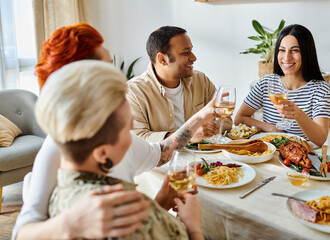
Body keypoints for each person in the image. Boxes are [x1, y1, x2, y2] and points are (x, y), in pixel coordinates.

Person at [12, 23, 225, 240]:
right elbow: (21, 234)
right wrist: (70, 225)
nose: (117, 75)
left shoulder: (110, 134)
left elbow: (161, 153)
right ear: (80, 82)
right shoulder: (61, 148)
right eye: (107, 68)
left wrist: (160, 200)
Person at [35, 60, 204, 240]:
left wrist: (160, 202)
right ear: (102, 153)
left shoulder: (62, 193)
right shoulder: (121, 212)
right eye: (127, 130)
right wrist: (192, 227)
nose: (132, 138)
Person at [127, 26, 232, 142]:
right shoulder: (133, 91)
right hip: (162, 159)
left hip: (203, 157)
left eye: (191, 50)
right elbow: (137, 139)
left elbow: (226, 122)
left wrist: (206, 127)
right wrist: (187, 134)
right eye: (186, 52)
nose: (194, 57)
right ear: (162, 59)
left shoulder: (201, 80)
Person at [234, 24, 330, 146]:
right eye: (282, 50)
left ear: (307, 53)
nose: (286, 57)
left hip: (301, 156)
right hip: (269, 152)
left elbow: (320, 139)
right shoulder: (266, 83)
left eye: (295, 50)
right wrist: (272, 129)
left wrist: (298, 114)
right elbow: (239, 119)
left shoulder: (321, 90)